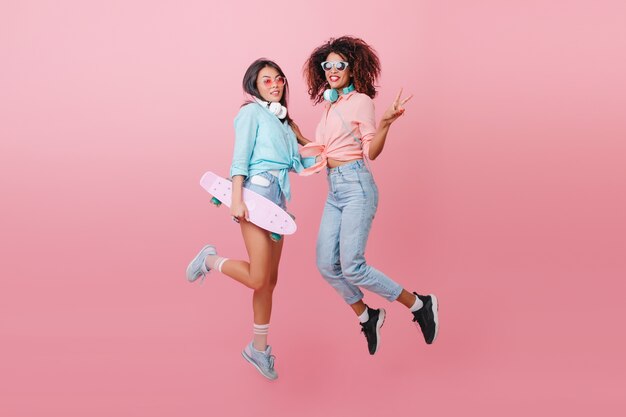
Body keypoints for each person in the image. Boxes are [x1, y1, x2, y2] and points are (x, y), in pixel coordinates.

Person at [293, 36, 439, 355]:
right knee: (325, 264)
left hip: (356, 186)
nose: (332, 69)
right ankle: (367, 315)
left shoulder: (360, 101)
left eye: (339, 65)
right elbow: (320, 148)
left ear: (351, 68)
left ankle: (419, 304)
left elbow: (370, 151)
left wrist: (386, 123)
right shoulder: (331, 105)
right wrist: (289, 125)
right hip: (334, 189)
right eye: (327, 64)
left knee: (353, 266)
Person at [186, 58, 310, 380]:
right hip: (255, 196)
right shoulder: (250, 113)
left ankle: (258, 349)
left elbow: (301, 162)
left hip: (278, 204)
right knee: (258, 278)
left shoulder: (284, 123)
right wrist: (237, 200)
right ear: (254, 85)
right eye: (266, 80)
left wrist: (318, 142)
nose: (274, 85)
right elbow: (239, 158)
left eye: (278, 79)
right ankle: (210, 260)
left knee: (269, 282)